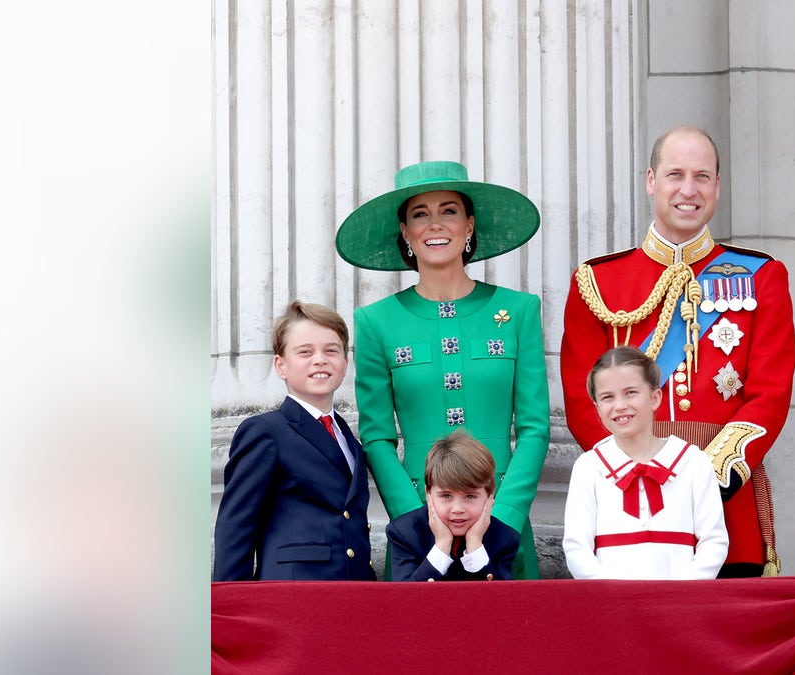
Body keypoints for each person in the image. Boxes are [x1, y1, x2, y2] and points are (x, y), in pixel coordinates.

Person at [560, 126, 795, 578]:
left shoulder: (762, 276)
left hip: (727, 503)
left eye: (702, 176)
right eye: (675, 175)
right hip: (626, 504)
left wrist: (703, 479)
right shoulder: (596, 283)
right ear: (651, 181)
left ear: (718, 187)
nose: (689, 190)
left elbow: (770, 396)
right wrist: (634, 472)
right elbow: (582, 399)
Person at [336, 160, 549, 579]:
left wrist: (503, 513)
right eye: (420, 214)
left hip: (500, 516)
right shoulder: (375, 321)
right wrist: (416, 519)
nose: (436, 224)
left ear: (469, 224)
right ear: (405, 231)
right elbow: (376, 436)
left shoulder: (520, 311)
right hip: (418, 525)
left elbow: (535, 427)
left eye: (449, 210)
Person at [213, 301, 374, 581]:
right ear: (281, 365)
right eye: (305, 352)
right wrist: (231, 608)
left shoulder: (349, 439)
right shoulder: (265, 431)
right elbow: (236, 527)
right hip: (291, 593)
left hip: (353, 593)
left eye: (331, 350)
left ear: (346, 363)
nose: (320, 359)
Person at [563, 346, 728, 579]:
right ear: (597, 407)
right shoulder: (588, 467)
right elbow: (576, 547)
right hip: (613, 605)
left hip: (682, 604)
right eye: (607, 397)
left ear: (654, 398)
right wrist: (609, 593)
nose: (619, 405)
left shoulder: (693, 462)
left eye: (630, 392)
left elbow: (714, 540)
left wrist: (684, 592)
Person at [386, 431, 521, 581]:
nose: (457, 509)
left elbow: (501, 601)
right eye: (446, 496)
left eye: (470, 496)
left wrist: (475, 545)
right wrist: (442, 546)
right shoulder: (405, 533)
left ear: (489, 496)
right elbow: (405, 600)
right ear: (428, 493)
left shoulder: (504, 538)